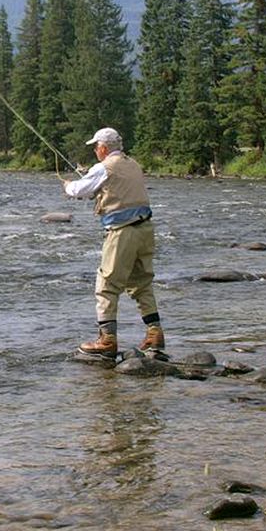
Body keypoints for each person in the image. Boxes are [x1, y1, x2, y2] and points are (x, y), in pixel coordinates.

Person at [62, 127, 165, 358]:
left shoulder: (104, 167)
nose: (95, 151)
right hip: (145, 230)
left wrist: (68, 185)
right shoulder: (133, 164)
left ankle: (107, 341)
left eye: (96, 147)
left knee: (107, 284)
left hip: (122, 232)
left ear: (103, 147)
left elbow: (78, 190)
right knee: (142, 283)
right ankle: (155, 334)